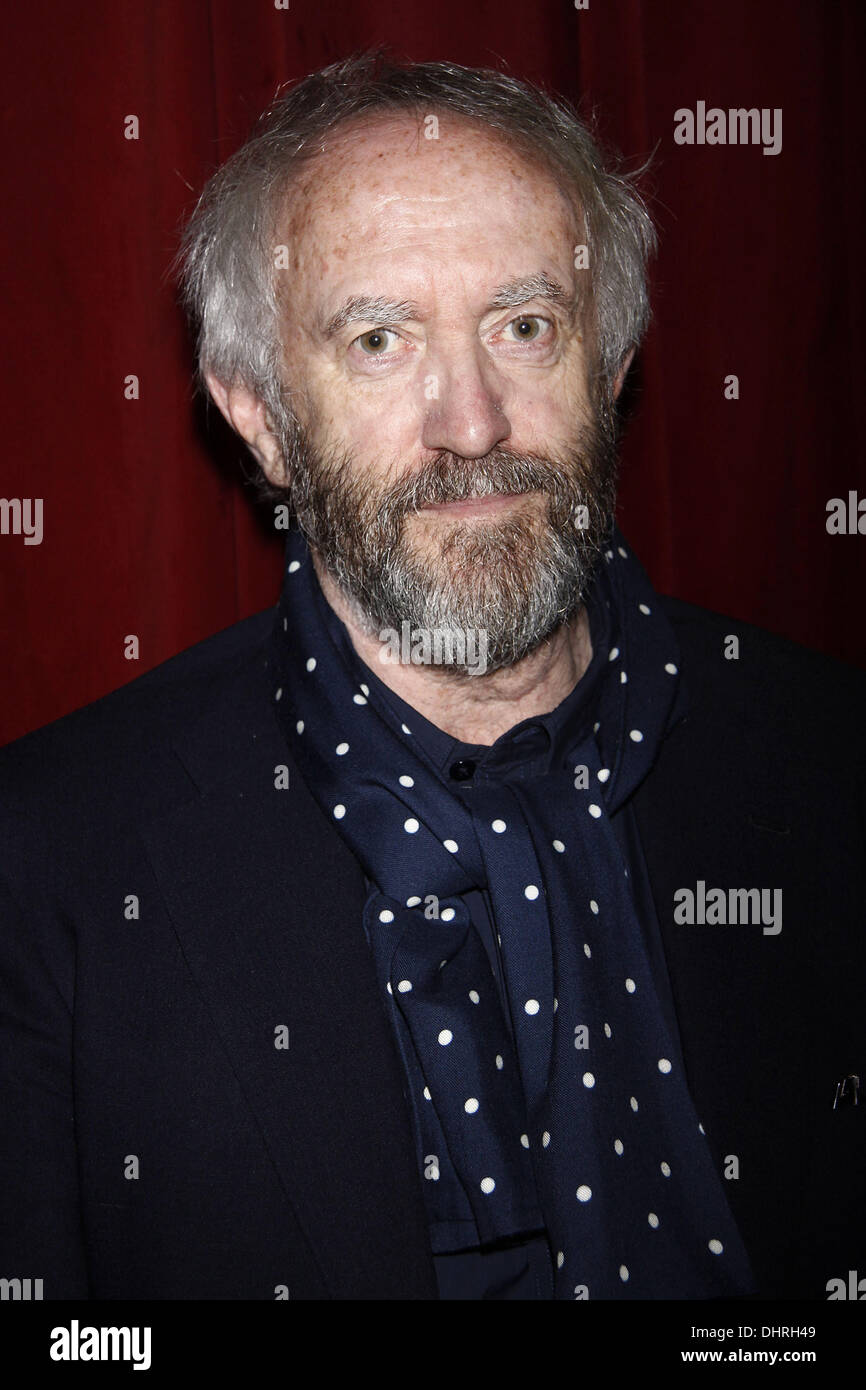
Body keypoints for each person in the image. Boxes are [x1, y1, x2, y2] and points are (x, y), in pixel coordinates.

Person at [1, 50, 863, 1302]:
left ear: (609, 360)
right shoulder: (52, 856)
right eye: (378, 338)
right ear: (255, 411)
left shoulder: (832, 760)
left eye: (524, 326)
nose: (470, 420)